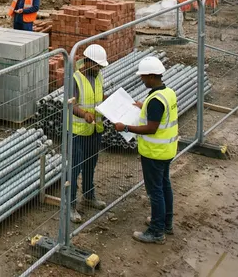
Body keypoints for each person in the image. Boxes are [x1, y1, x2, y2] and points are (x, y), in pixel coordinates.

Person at [115, 56, 178, 244]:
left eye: (143, 77)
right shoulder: (167, 93)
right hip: (167, 150)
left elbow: (151, 128)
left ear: (152, 76)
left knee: (155, 191)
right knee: (164, 185)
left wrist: (125, 127)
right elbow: (161, 116)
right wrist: (144, 107)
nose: (142, 80)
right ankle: (166, 222)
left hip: (154, 152)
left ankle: (157, 231)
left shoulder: (156, 100)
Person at [69, 44, 109, 222]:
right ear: (88, 62)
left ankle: (89, 195)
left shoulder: (98, 76)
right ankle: (70, 205)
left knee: (90, 164)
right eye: (98, 65)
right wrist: (83, 114)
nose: (100, 69)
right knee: (75, 167)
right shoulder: (75, 79)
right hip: (78, 132)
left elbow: (98, 97)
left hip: (95, 129)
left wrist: (110, 102)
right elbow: (71, 104)